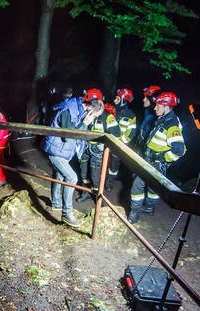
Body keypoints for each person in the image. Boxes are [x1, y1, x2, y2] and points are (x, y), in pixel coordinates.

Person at [43, 94, 105, 228]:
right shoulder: (68, 111)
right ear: (90, 110)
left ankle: (56, 204)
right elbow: (69, 137)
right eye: (94, 116)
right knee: (72, 178)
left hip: (63, 151)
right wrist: (84, 124)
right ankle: (66, 213)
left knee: (59, 175)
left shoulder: (79, 109)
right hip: (55, 151)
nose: (93, 119)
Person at [128, 91, 185, 223]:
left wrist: (162, 159)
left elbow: (179, 150)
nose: (154, 108)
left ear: (166, 106)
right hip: (150, 160)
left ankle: (134, 213)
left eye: (158, 105)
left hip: (156, 163)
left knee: (137, 186)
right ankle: (149, 208)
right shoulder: (163, 120)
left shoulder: (172, 125)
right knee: (153, 187)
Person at [77, 89, 121, 201]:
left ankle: (98, 198)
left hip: (98, 152)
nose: (88, 107)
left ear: (98, 104)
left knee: (95, 177)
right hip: (86, 149)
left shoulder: (108, 118)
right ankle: (85, 193)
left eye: (90, 104)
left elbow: (116, 135)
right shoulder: (86, 114)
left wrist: (105, 145)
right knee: (83, 173)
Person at [106, 87, 137, 191]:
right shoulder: (111, 111)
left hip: (119, 145)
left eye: (117, 99)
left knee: (114, 166)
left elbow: (130, 134)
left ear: (123, 101)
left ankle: (109, 183)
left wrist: (119, 142)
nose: (115, 101)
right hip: (107, 142)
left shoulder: (131, 115)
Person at [135, 85, 161, 150]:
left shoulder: (157, 117)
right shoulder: (147, 111)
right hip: (140, 143)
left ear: (153, 99)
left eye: (146, 98)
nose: (143, 100)